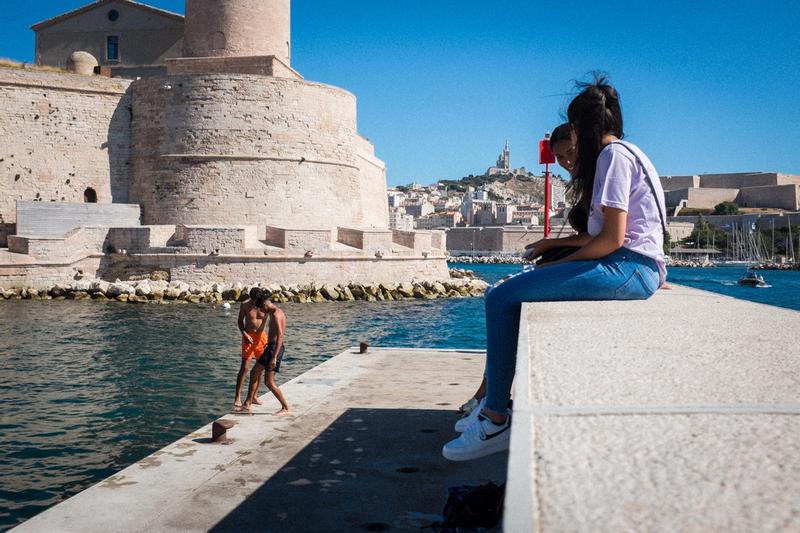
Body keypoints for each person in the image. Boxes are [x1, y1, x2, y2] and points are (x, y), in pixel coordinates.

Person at [443, 75, 667, 461]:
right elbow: (606, 235)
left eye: (576, 128)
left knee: (500, 296)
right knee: (513, 291)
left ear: (586, 126)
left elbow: (612, 240)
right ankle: (491, 404)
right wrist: (555, 247)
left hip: (630, 267)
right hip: (637, 266)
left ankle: (496, 416)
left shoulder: (613, 157)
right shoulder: (631, 153)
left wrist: (558, 265)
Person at [241, 293, 291, 417]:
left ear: (264, 304)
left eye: (261, 308)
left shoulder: (275, 314)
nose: (261, 312)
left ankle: (285, 407)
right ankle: (248, 402)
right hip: (270, 348)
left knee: (269, 382)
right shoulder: (276, 311)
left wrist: (274, 356)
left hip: (274, 350)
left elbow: (280, 335)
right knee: (254, 373)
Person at [234, 287, 267, 410]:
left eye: (256, 301)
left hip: (261, 338)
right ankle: (237, 396)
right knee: (245, 368)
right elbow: (240, 322)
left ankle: (254, 396)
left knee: (259, 370)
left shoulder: (265, 305)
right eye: (253, 301)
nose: (255, 303)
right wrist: (245, 335)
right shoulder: (245, 305)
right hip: (248, 337)